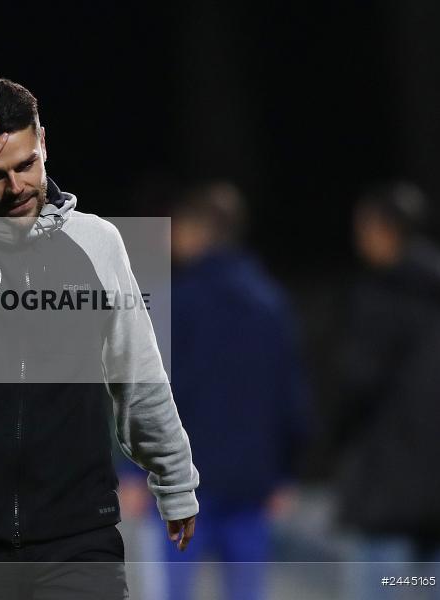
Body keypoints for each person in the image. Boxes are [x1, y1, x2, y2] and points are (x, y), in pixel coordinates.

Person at [0, 76, 199, 598]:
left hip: (79, 535)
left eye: (26, 165)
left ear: (43, 141)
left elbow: (136, 370)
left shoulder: (97, 241)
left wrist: (174, 480)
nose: (17, 187)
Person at [121, 182, 308, 600]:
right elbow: (289, 397)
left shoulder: (176, 303)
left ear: (195, 231)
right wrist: (285, 472)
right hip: (250, 483)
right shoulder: (271, 303)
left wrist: (133, 470)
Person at [332, 182, 440, 600]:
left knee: (384, 585)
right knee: (439, 583)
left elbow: (355, 385)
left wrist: (335, 437)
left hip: (387, 480)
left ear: (387, 230)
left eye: (364, 228)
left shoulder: (380, 296)